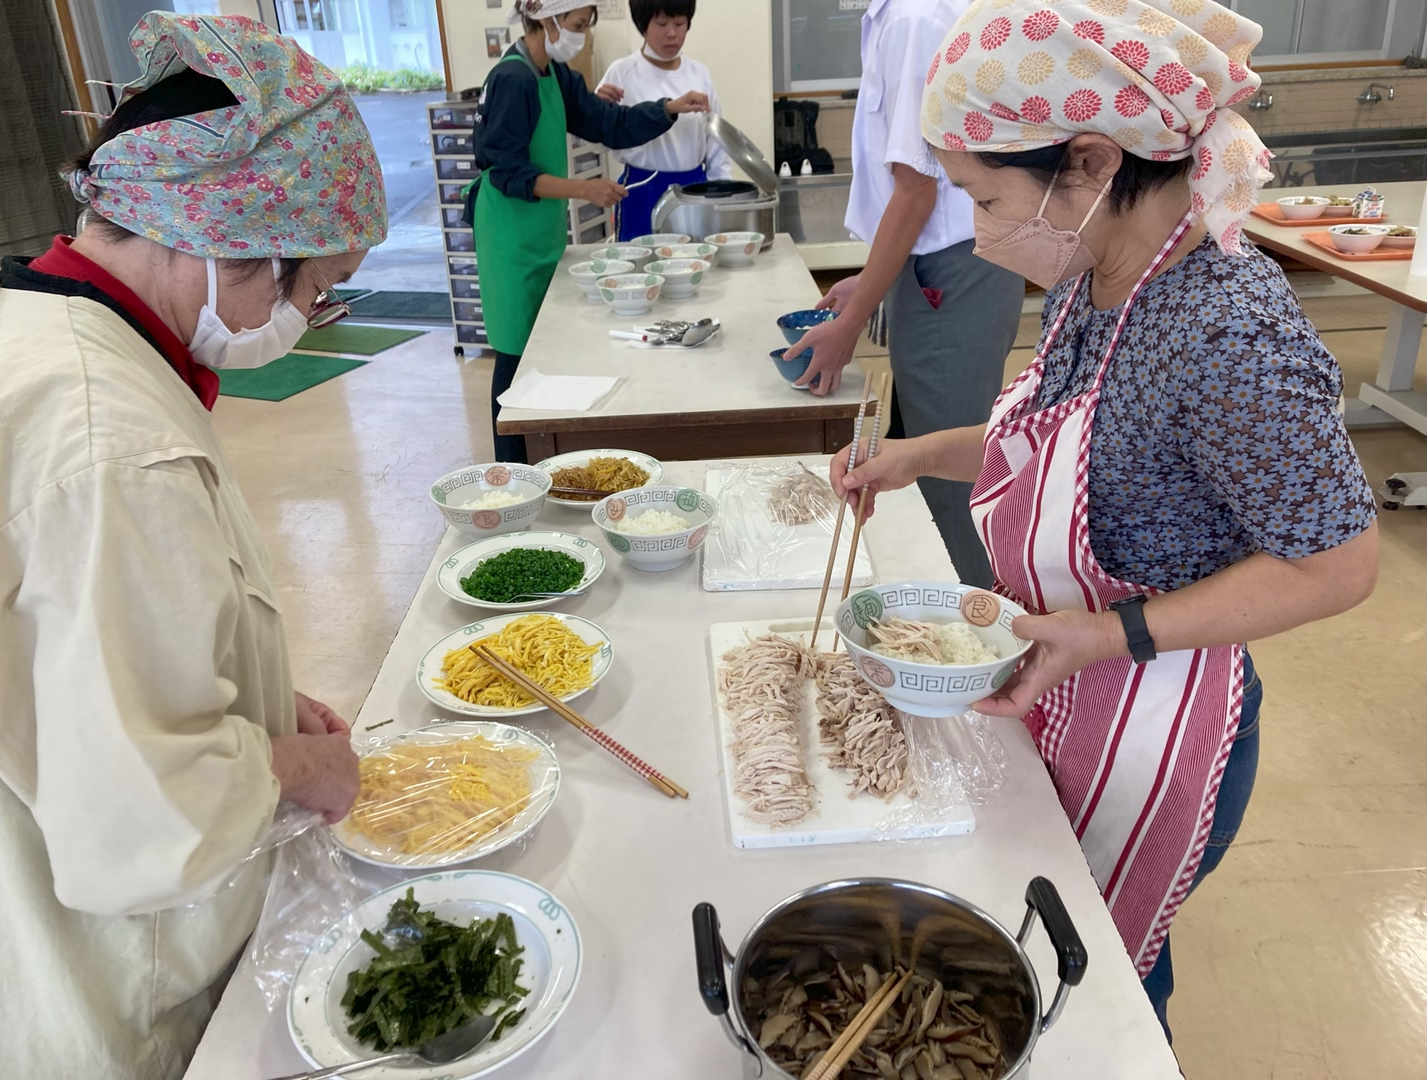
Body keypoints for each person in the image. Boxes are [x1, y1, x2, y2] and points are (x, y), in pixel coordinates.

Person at [833, 0, 1379, 1039]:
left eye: (985, 199)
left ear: (1089, 162)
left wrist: (1112, 633)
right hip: (1070, 681)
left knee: (1106, 981)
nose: (984, 237)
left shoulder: (1227, 331)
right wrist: (915, 456)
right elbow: (1051, 441)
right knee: (1041, 954)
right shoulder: (1105, 271)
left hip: (1158, 716)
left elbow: (1340, 566)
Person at [0, 14, 378, 1078]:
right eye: (305, 287)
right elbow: (136, 808)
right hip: (118, 989)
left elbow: (96, 656)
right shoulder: (108, 442)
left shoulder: (54, 334)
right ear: (224, 234)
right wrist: (292, 764)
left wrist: (248, 699)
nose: (306, 314)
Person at [783, 0, 1024, 588]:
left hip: (951, 271)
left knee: (949, 474)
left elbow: (916, 192)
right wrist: (871, 282)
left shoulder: (913, 20)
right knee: (940, 449)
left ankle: (982, 633)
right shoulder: (903, 15)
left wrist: (849, 327)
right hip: (944, 263)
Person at [471, 0, 709, 462]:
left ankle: (545, 455)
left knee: (543, 343)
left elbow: (608, 123)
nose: (580, 36)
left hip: (539, 227)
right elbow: (505, 170)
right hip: (509, 236)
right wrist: (584, 189)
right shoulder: (513, 79)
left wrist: (666, 108)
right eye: (577, 25)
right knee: (516, 351)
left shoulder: (555, 75)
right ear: (546, 19)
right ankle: (513, 465)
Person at [595, 0, 731, 242]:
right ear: (643, 25)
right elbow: (598, 139)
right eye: (662, 23)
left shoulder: (699, 74)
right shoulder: (621, 72)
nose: (672, 33)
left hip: (694, 190)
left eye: (680, 23)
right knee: (640, 270)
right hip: (641, 190)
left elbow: (717, 143)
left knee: (697, 266)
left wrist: (720, 193)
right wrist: (597, 105)